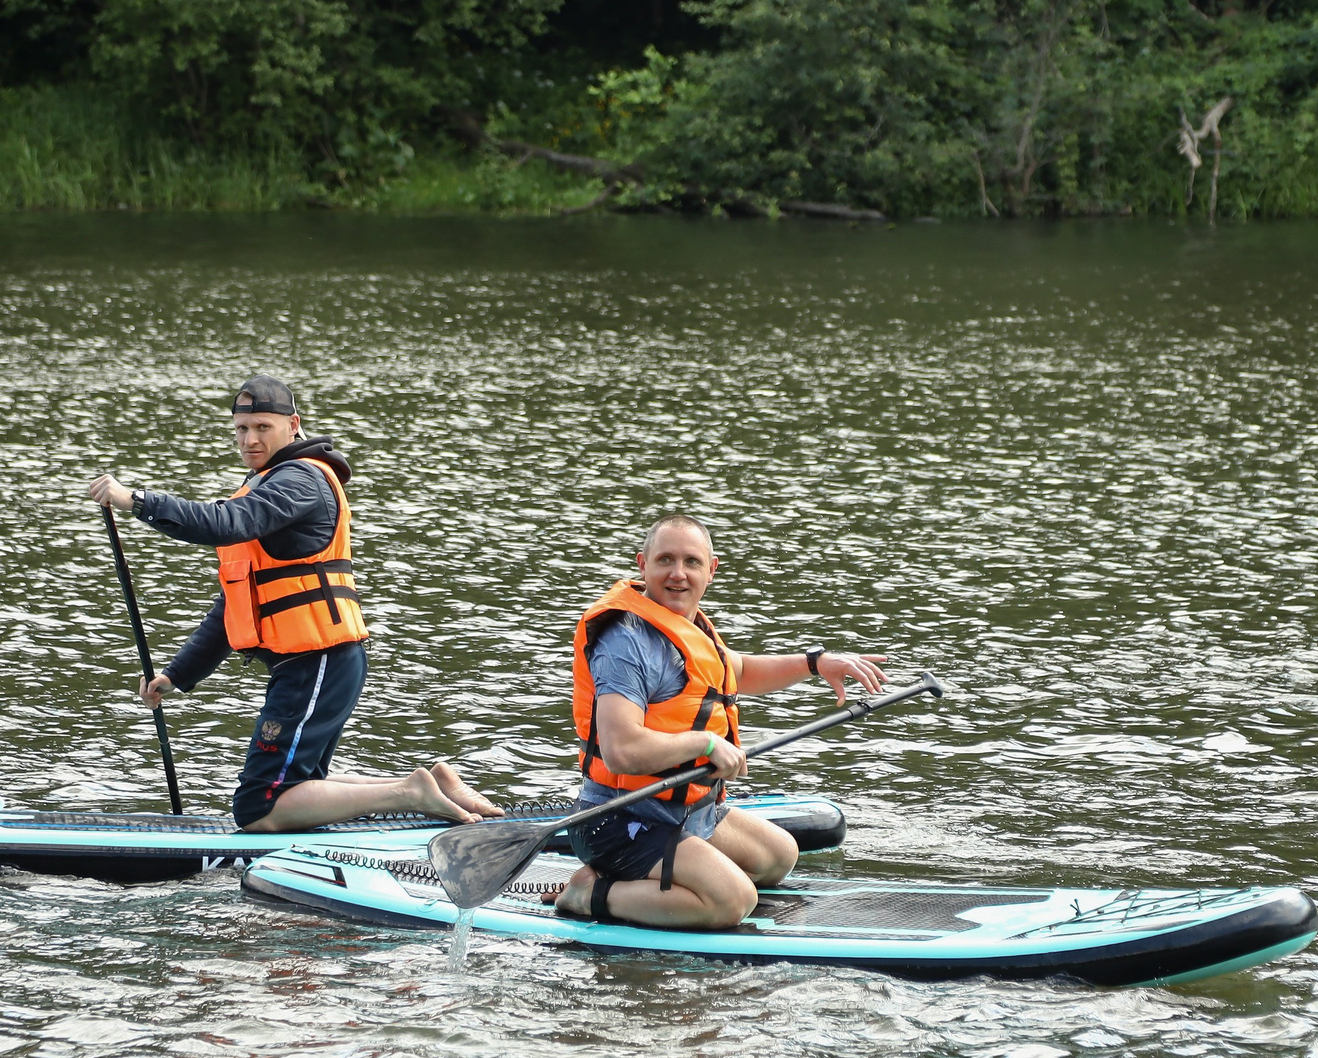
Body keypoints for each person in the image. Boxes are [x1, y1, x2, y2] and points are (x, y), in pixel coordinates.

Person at [85, 374, 499, 832]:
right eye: (242, 429)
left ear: (293, 425)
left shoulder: (301, 480)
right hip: (308, 664)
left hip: (318, 661)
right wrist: (177, 675)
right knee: (294, 787)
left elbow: (226, 522)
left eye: (262, 427)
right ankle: (432, 784)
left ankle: (410, 794)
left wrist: (138, 500)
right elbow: (234, 607)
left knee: (258, 807)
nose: (250, 439)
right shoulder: (264, 483)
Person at [558, 514, 887, 930]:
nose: (678, 574)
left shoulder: (689, 628)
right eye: (665, 560)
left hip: (688, 811)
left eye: (691, 562)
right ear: (642, 565)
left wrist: (816, 663)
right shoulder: (625, 643)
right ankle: (587, 895)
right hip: (618, 820)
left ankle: (661, 881)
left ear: (711, 570)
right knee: (732, 901)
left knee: (778, 856)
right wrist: (706, 745)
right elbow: (622, 751)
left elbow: (741, 669)